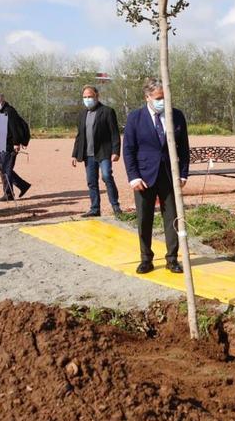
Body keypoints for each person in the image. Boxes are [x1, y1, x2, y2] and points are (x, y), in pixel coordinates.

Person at [122, 78, 189, 274]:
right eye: (159, 98)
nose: (163, 101)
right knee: (144, 219)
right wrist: (133, 176)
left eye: (166, 97)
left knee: (173, 219)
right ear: (147, 97)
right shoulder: (135, 118)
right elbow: (128, 149)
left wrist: (183, 174)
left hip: (170, 176)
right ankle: (146, 259)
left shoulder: (176, 116)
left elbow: (184, 147)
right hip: (144, 177)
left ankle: (172, 258)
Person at [71, 85, 122, 217]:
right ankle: (95, 209)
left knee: (106, 176)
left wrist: (116, 151)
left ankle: (116, 206)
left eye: (90, 97)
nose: (87, 99)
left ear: (97, 96)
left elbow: (114, 133)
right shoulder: (82, 114)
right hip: (88, 154)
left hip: (104, 152)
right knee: (91, 181)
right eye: (85, 97)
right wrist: (75, 154)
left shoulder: (107, 111)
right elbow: (79, 135)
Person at [0, 93, 31, 201]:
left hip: (10, 145)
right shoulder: (2, 112)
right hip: (3, 144)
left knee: (5, 169)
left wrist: (16, 143)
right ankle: (22, 185)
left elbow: (15, 128)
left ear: (3, 101)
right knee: (3, 168)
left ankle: (8, 194)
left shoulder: (9, 111)